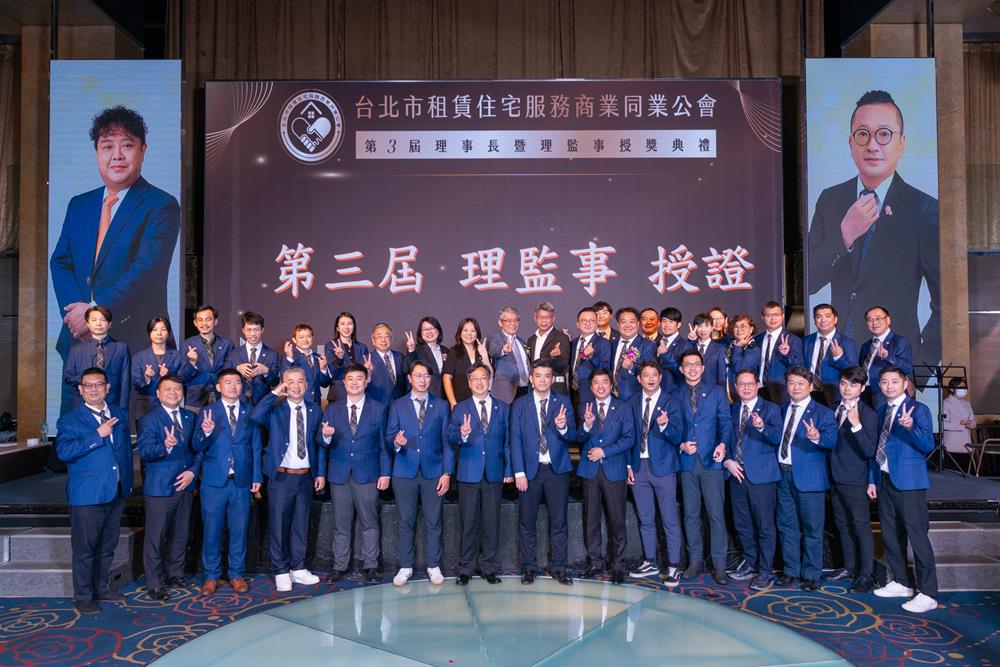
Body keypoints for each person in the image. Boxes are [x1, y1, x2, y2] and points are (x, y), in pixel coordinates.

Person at [50, 106, 180, 393]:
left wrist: (93, 314)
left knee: (130, 419)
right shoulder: (80, 205)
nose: (117, 155)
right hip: (79, 344)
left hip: (135, 344)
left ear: (143, 150)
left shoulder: (161, 205)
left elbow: (146, 269)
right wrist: (77, 316)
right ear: (97, 152)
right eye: (107, 146)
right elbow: (60, 262)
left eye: (127, 146)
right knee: (77, 418)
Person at [807, 89, 940, 364]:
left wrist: (919, 368)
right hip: (838, 359)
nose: (872, 145)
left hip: (893, 364)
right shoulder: (830, 200)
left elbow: (945, 301)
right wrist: (844, 235)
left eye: (884, 134)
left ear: (901, 143)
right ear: (850, 143)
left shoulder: (924, 209)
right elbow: (808, 281)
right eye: (863, 134)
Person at [55, 367, 133, 613]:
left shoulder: (119, 414)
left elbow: (124, 452)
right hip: (87, 495)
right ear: (80, 390)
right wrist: (96, 435)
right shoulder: (70, 420)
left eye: (98, 384)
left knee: (107, 546)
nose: (94, 389)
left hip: (116, 491)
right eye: (88, 385)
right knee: (85, 550)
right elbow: (63, 453)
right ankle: (83, 597)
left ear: (107, 388)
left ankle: (101, 588)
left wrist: (127, 484)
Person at [251, 366, 326, 592]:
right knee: (279, 525)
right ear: (284, 384)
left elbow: (318, 444)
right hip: (281, 477)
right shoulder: (275, 408)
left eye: (300, 381)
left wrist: (320, 472)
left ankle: (298, 567)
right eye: (290, 382)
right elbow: (255, 416)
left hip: (305, 477)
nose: (296, 386)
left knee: (300, 524)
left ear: (306, 384)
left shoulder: (314, 409)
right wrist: (275, 392)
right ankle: (281, 570)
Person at [871, 366, 939, 613]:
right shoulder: (881, 411)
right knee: (890, 534)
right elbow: (875, 448)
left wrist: (910, 427)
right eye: (884, 382)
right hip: (885, 479)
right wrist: (872, 480)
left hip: (910, 483)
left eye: (894, 381)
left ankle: (928, 593)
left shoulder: (918, 409)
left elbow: (928, 444)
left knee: (917, 537)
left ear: (905, 383)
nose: (889, 386)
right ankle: (901, 581)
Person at [192, 368, 262, 596]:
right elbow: (197, 445)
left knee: (239, 530)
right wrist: (206, 433)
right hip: (214, 482)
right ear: (219, 387)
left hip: (241, 481)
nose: (233, 386)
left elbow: (255, 446)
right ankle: (211, 575)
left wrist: (256, 476)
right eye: (228, 382)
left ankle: (236, 574)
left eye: (237, 382)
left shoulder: (250, 412)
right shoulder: (207, 412)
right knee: (211, 530)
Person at [319, 363, 390, 584]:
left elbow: (383, 445)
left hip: (367, 474)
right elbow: (320, 441)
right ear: (344, 382)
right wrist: (326, 436)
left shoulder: (378, 409)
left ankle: (371, 566)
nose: (354, 383)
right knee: (341, 523)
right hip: (339, 474)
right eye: (350, 379)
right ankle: (339, 566)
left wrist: (385, 473)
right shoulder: (332, 409)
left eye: (359, 378)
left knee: (369, 522)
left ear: (366, 381)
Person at [386, 361, 453, 586]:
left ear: (430, 379)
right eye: (418, 375)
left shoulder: (441, 406)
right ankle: (405, 566)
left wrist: (446, 473)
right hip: (404, 471)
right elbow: (389, 437)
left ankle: (434, 565)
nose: (422, 380)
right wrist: (397, 442)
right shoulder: (398, 405)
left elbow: (447, 442)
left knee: (434, 521)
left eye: (426, 376)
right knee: (405, 521)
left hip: (434, 472)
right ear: (409, 378)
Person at [511, 360, 577, 586]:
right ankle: (529, 567)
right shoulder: (519, 405)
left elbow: (573, 435)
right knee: (527, 522)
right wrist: (519, 472)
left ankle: (559, 567)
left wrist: (562, 427)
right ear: (531, 378)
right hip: (529, 471)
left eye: (547, 376)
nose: (542, 380)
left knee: (559, 522)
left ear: (552, 379)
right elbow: (515, 440)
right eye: (538, 375)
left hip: (557, 470)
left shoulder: (563, 402)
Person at [446, 364, 511, 585]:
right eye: (475, 379)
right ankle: (465, 568)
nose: (480, 382)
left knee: (491, 523)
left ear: (489, 381)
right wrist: (462, 434)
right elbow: (450, 437)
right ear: (469, 383)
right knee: (468, 524)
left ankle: (489, 567)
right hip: (469, 473)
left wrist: (509, 469)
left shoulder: (503, 408)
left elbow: (508, 442)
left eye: (483, 378)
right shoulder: (460, 409)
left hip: (494, 473)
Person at [775, 366, 838, 591]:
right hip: (782, 475)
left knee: (812, 528)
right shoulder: (781, 409)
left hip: (809, 479)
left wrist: (817, 436)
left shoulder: (823, 412)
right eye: (792, 383)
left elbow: (831, 441)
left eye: (801, 383)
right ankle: (791, 571)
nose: (795, 387)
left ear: (811, 386)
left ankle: (811, 574)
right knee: (787, 526)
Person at [137, 375, 199, 600]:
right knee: (156, 537)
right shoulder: (149, 420)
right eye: (168, 389)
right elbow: (145, 451)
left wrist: (193, 471)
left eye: (177, 389)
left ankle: (176, 573)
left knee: (180, 533)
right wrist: (164, 446)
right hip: (160, 488)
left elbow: (198, 449)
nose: (173, 393)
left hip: (185, 484)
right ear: (158, 393)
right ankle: (154, 582)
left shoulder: (191, 417)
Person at [675, 350, 735, 585]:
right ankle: (695, 561)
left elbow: (725, 421)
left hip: (712, 460)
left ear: (702, 368)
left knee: (716, 515)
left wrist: (722, 444)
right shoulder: (674, 394)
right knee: (690, 515)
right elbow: (673, 427)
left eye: (696, 364)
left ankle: (720, 566)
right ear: (681, 369)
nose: (692, 368)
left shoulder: (717, 392)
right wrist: (680, 444)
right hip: (687, 462)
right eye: (687, 364)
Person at [626, 361, 684, 586]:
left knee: (669, 519)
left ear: (660, 378)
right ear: (639, 379)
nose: (650, 379)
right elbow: (628, 436)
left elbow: (678, 436)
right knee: (645, 519)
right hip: (638, 467)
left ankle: (674, 565)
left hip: (664, 468)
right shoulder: (631, 402)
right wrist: (628, 465)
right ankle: (650, 561)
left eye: (654, 375)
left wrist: (664, 426)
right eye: (646, 375)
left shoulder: (672, 402)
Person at [723, 370, 782, 590]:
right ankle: (751, 562)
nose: (746, 387)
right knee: (743, 524)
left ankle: (765, 571)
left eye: (750, 384)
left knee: (765, 526)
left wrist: (761, 427)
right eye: (741, 384)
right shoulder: (732, 409)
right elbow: (725, 439)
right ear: (735, 387)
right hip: (736, 474)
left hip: (762, 477)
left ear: (758, 385)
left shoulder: (771, 409)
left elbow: (777, 438)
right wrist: (727, 460)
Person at [577, 369, 635, 584]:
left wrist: (605, 452)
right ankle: (595, 562)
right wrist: (587, 425)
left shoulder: (623, 407)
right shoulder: (584, 407)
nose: (600, 386)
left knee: (617, 519)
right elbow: (578, 437)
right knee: (591, 519)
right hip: (590, 470)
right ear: (591, 387)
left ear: (611, 385)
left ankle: (618, 564)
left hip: (614, 469)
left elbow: (629, 438)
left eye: (604, 382)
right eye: (596, 382)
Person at [827, 366, 878, 593]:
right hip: (833, 475)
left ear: (862, 388)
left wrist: (856, 425)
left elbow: (870, 450)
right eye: (844, 384)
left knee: (860, 526)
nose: (847, 389)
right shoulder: (832, 408)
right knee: (842, 524)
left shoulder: (868, 414)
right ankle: (849, 567)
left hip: (856, 478)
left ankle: (866, 575)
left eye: (853, 385)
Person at [63, 305, 131, 414]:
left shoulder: (121, 348)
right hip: (82, 405)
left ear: (109, 324)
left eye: (103, 320)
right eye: (94, 320)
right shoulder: (76, 350)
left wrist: (122, 411)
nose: (98, 323)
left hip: (112, 405)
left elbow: (125, 383)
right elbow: (68, 376)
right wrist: (89, 381)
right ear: (88, 324)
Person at [179, 305, 234, 409]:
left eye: (208, 319)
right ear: (195, 323)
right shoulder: (187, 344)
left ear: (215, 321)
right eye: (200, 320)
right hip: (196, 399)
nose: (204, 323)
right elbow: (182, 376)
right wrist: (192, 362)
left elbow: (229, 371)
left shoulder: (227, 344)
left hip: (221, 396)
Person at [803, 303, 858, 406]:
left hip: (834, 395)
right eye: (819, 316)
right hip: (809, 394)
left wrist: (839, 357)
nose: (823, 320)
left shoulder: (847, 342)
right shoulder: (806, 341)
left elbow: (854, 372)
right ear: (814, 320)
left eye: (827, 316)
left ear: (835, 319)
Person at [859, 306, 913, 408]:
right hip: (865, 394)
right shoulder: (865, 346)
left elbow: (907, 368)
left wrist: (888, 356)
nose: (874, 323)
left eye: (878, 318)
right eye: (870, 320)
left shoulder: (900, 341)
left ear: (888, 320)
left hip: (885, 394)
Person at [132, 316, 183, 422]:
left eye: (163, 329)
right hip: (146, 407)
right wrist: (146, 379)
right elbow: (135, 383)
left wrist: (168, 375)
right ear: (149, 333)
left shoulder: (177, 355)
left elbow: (183, 380)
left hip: (170, 406)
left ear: (168, 333)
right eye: (155, 330)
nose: (159, 333)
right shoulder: (139, 357)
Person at [225, 311, 279, 406]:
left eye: (256, 329)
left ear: (262, 330)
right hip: (238, 403)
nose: (253, 334)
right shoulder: (233, 353)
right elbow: (223, 376)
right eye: (249, 330)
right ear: (243, 330)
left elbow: (275, 383)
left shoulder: (272, 354)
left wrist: (266, 371)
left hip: (262, 404)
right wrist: (237, 369)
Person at [755, 301, 803, 404]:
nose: (772, 318)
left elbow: (799, 367)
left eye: (776, 315)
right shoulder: (757, 340)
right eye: (768, 315)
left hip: (781, 392)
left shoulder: (793, 340)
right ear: (762, 317)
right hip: (758, 391)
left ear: (782, 316)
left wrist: (787, 355)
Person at [443, 318, 492, 408]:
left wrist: (485, 356)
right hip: (461, 400)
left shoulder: (482, 350)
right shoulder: (454, 352)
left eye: (472, 331)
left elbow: (490, 375)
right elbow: (447, 378)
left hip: (481, 399)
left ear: (477, 333)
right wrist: (453, 402)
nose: (469, 334)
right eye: (465, 330)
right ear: (460, 332)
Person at [569, 306, 611, 411]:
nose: (588, 323)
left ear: (596, 324)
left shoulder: (604, 343)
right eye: (584, 321)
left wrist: (592, 356)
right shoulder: (572, 343)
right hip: (572, 394)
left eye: (592, 321)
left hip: (592, 394)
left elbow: (605, 369)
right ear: (577, 324)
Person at [486, 307, 532, 404]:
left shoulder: (521, 341)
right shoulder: (495, 338)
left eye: (516, 320)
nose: (513, 324)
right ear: (500, 323)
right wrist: (503, 350)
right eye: (508, 321)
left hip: (525, 390)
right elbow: (493, 350)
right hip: (506, 392)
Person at [526, 302, 572, 396]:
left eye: (547, 317)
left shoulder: (562, 337)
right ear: (535, 318)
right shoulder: (531, 339)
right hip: (534, 389)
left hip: (555, 389)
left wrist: (556, 356)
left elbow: (563, 367)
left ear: (553, 318)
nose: (543, 321)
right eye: (540, 317)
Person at [611, 307, 656, 401]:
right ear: (618, 324)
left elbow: (650, 372)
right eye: (623, 322)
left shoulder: (647, 345)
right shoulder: (612, 344)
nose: (628, 325)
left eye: (632, 322)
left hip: (634, 399)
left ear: (638, 324)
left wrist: (632, 367)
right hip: (612, 399)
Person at [280, 323, 330, 405]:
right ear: (294, 339)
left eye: (308, 336)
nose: (305, 340)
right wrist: (289, 359)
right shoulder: (289, 356)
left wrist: (323, 369)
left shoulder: (318, 357)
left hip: (316, 403)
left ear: (313, 338)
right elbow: (283, 379)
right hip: (297, 402)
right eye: (301, 337)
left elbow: (325, 384)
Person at [325, 311, 369, 403]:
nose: (346, 327)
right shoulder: (330, 346)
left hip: (359, 394)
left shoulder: (362, 347)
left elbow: (364, 375)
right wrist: (339, 359)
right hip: (339, 394)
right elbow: (333, 373)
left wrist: (368, 370)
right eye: (342, 324)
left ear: (354, 327)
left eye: (349, 323)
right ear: (337, 328)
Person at [403, 316, 447, 398]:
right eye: (425, 329)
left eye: (431, 328)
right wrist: (411, 350)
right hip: (424, 397)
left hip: (444, 398)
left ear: (438, 330)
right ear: (420, 333)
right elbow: (406, 368)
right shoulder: (416, 349)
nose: (429, 332)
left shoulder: (446, 350)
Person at [365, 323, 407, 405]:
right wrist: (367, 375)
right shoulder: (366, 360)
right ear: (373, 340)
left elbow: (407, 384)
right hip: (377, 407)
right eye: (379, 336)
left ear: (391, 339)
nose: (383, 340)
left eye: (386, 336)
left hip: (399, 406)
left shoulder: (400, 357)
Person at [723, 314, 760, 401]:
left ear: (751, 329)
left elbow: (739, 368)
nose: (739, 329)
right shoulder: (729, 346)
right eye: (736, 327)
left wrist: (738, 347)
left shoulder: (754, 349)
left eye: (743, 326)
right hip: (726, 393)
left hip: (742, 394)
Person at [688, 312, 727, 388]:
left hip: (712, 391)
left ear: (712, 328)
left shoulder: (720, 349)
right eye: (700, 326)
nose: (703, 330)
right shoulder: (690, 346)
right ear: (695, 327)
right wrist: (691, 341)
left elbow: (722, 376)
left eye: (707, 326)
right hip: (691, 390)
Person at [941, 378, 976, 462]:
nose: (963, 389)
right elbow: (943, 424)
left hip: (966, 443)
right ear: (951, 389)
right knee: (952, 468)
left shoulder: (967, 403)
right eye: (960, 387)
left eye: (964, 387)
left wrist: (970, 423)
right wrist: (961, 424)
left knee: (966, 467)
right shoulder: (945, 403)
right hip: (951, 444)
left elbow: (973, 422)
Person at [655, 307, 687, 393]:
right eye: (664, 321)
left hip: (674, 393)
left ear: (679, 324)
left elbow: (683, 373)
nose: (667, 325)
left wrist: (666, 355)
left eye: (671, 321)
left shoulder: (685, 345)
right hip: (654, 393)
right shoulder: (655, 343)